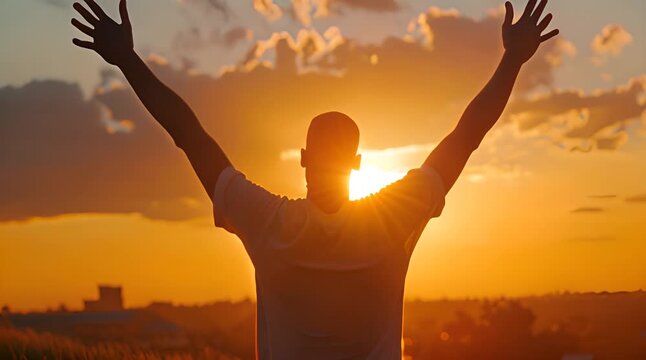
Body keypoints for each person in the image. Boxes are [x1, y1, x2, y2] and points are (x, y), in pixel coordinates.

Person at [71, 0, 559, 358]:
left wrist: (128, 61)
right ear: (358, 162)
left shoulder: (267, 222)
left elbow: (189, 135)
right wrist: (512, 61)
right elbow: (466, 136)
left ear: (303, 158)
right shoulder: (392, 219)